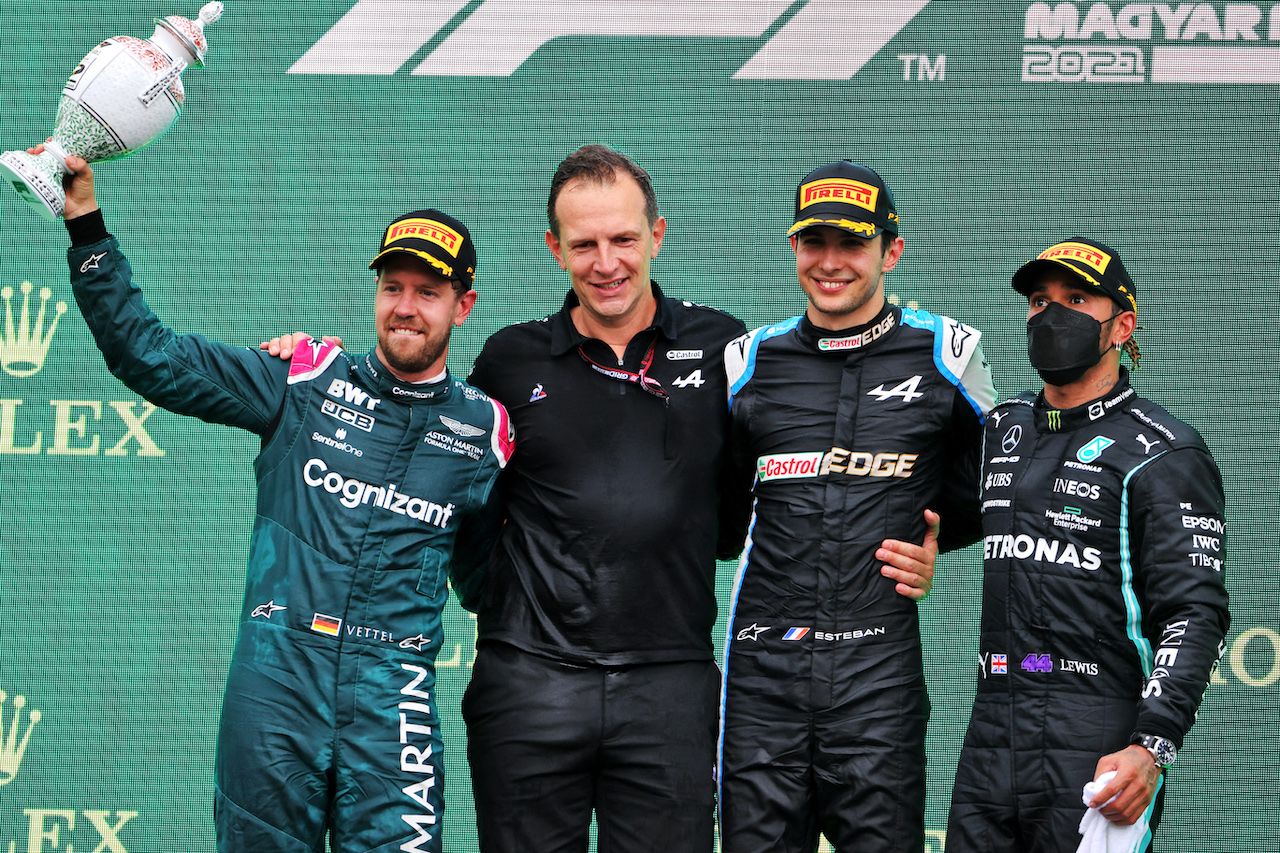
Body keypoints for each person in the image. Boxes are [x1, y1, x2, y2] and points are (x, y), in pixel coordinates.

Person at [44, 146, 512, 853]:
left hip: (394, 696)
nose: (405, 308)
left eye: (427, 291)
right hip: (276, 676)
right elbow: (151, 356)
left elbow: (487, 577)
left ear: (462, 304)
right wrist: (86, 225)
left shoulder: (485, 430)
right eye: (392, 286)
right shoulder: (308, 377)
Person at [457, 144, 749, 852]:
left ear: (657, 234)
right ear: (555, 249)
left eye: (623, 238)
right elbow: (463, 503)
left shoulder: (725, 346)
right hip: (529, 683)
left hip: (670, 685)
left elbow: (744, 509)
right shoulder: (508, 358)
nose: (606, 261)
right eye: (584, 244)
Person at [717, 160, 997, 853]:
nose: (830, 262)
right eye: (814, 243)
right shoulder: (748, 360)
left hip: (878, 678)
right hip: (763, 676)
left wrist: (938, 541)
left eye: (852, 244)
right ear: (793, 247)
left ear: (891, 251)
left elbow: (1006, 480)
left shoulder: (947, 352)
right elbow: (714, 515)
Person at [945, 237, 1230, 852]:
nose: (1052, 316)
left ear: (1122, 325)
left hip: (1099, 735)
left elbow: (1194, 613)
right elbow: (935, 514)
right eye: (1039, 301)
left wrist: (1151, 748)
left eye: (1076, 299)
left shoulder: (1163, 451)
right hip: (992, 724)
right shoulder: (1003, 427)